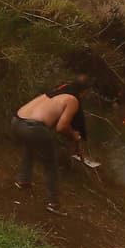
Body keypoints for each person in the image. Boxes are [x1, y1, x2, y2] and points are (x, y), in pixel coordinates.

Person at [12, 78, 94, 213]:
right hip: (33, 128)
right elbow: (62, 127)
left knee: (30, 146)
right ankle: (54, 203)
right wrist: (74, 135)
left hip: (16, 121)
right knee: (51, 164)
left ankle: (23, 180)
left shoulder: (54, 92)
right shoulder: (72, 100)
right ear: (84, 92)